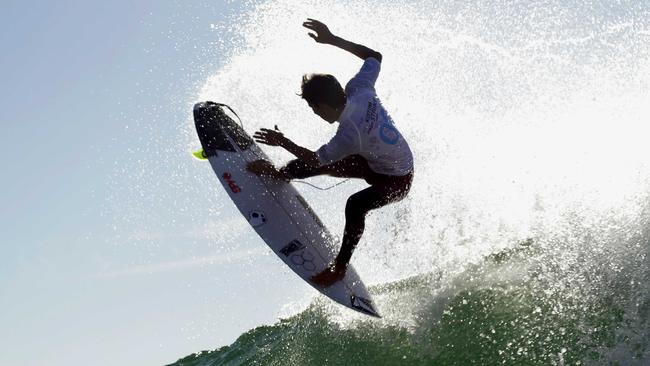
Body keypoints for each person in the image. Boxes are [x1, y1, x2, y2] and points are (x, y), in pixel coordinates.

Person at [247, 18, 414, 287]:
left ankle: (339, 267)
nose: (315, 114)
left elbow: (314, 158)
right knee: (315, 165)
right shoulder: (359, 89)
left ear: (323, 105)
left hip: (397, 181)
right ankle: (281, 174)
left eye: (313, 109)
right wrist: (332, 39)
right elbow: (375, 56)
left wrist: (283, 141)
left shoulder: (350, 134)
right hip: (372, 160)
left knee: (355, 204)